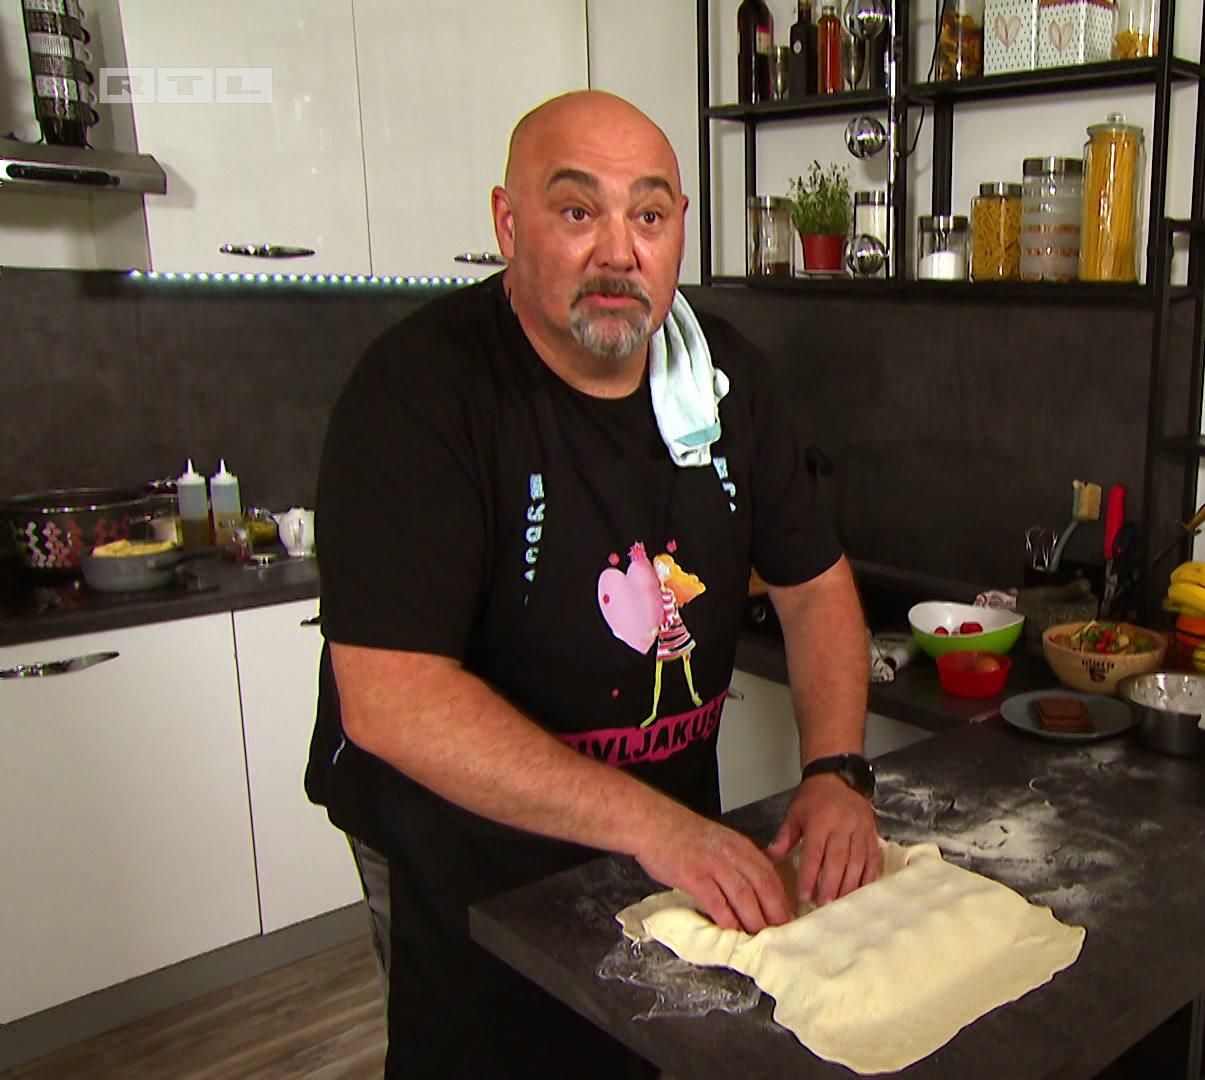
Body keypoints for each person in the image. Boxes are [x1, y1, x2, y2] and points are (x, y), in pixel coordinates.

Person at [305, 90, 881, 1076]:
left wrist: (836, 769)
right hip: (465, 858)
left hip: (656, 845)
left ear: (680, 228)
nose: (619, 251)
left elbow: (815, 586)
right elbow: (393, 698)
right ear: (507, 223)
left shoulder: (726, 384)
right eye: (578, 211)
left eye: (648, 215)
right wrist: (656, 825)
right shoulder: (419, 394)